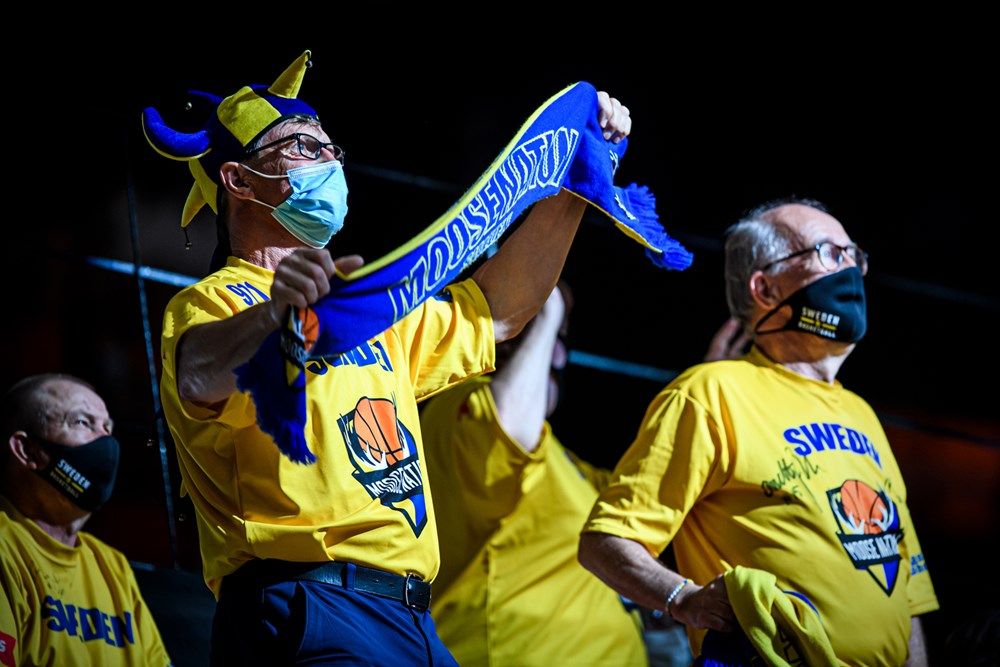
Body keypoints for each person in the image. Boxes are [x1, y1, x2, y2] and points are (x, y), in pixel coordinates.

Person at [148, 53, 632, 664]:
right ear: (239, 181)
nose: (330, 163)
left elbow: (499, 313)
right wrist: (277, 315)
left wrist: (579, 182)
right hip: (305, 603)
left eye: (332, 150)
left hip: (411, 618)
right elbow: (197, 374)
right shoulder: (210, 302)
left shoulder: (367, 310)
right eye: (304, 147)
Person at [579, 198, 939, 665]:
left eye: (855, 255)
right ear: (765, 288)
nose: (852, 269)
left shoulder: (862, 414)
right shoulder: (711, 393)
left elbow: (906, 591)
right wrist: (682, 599)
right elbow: (606, 540)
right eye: (830, 253)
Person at [420, 284, 647, 666]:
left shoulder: (565, 462)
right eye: (541, 329)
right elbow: (508, 423)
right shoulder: (460, 403)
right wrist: (550, 310)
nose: (559, 354)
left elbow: (648, 497)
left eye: (562, 338)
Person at [0, 374, 171, 666]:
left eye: (107, 427)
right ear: (27, 450)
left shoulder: (112, 565)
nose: (106, 441)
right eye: (82, 422)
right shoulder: (7, 549)